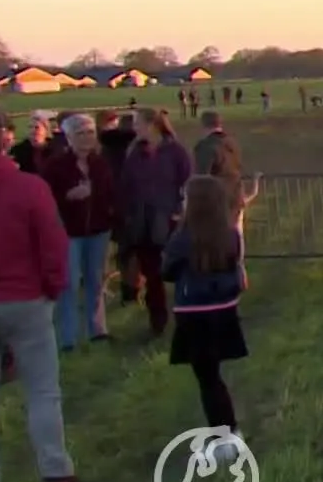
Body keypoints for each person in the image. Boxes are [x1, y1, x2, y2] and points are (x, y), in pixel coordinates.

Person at [0, 105, 77, 482]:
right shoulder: (29, 188)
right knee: (42, 391)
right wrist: (53, 288)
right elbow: (53, 245)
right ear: (4, 138)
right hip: (25, 299)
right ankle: (55, 472)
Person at [162, 175, 250, 447]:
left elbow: (167, 272)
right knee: (213, 376)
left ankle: (225, 437)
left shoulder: (182, 238)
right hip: (224, 312)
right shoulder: (231, 234)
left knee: (208, 380)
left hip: (194, 315)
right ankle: (228, 432)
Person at [40, 114, 118, 349]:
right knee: (70, 283)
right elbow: (44, 199)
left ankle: (98, 330)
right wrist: (67, 198)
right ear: (69, 138)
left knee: (96, 280)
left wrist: (110, 211)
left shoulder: (101, 163)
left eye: (90, 133)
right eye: (80, 134)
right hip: (69, 232)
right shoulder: (55, 166)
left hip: (99, 229)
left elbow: (111, 192)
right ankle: (68, 337)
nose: (86, 138)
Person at [117, 108, 192, 338]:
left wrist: (180, 211)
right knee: (152, 275)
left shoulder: (175, 152)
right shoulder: (134, 154)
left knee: (181, 271)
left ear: (153, 125)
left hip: (169, 221)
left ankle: (188, 319)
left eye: (138, 123)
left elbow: (187, 182)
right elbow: (126, 186)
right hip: (142, 223)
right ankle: (157, 322)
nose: (135, 128)